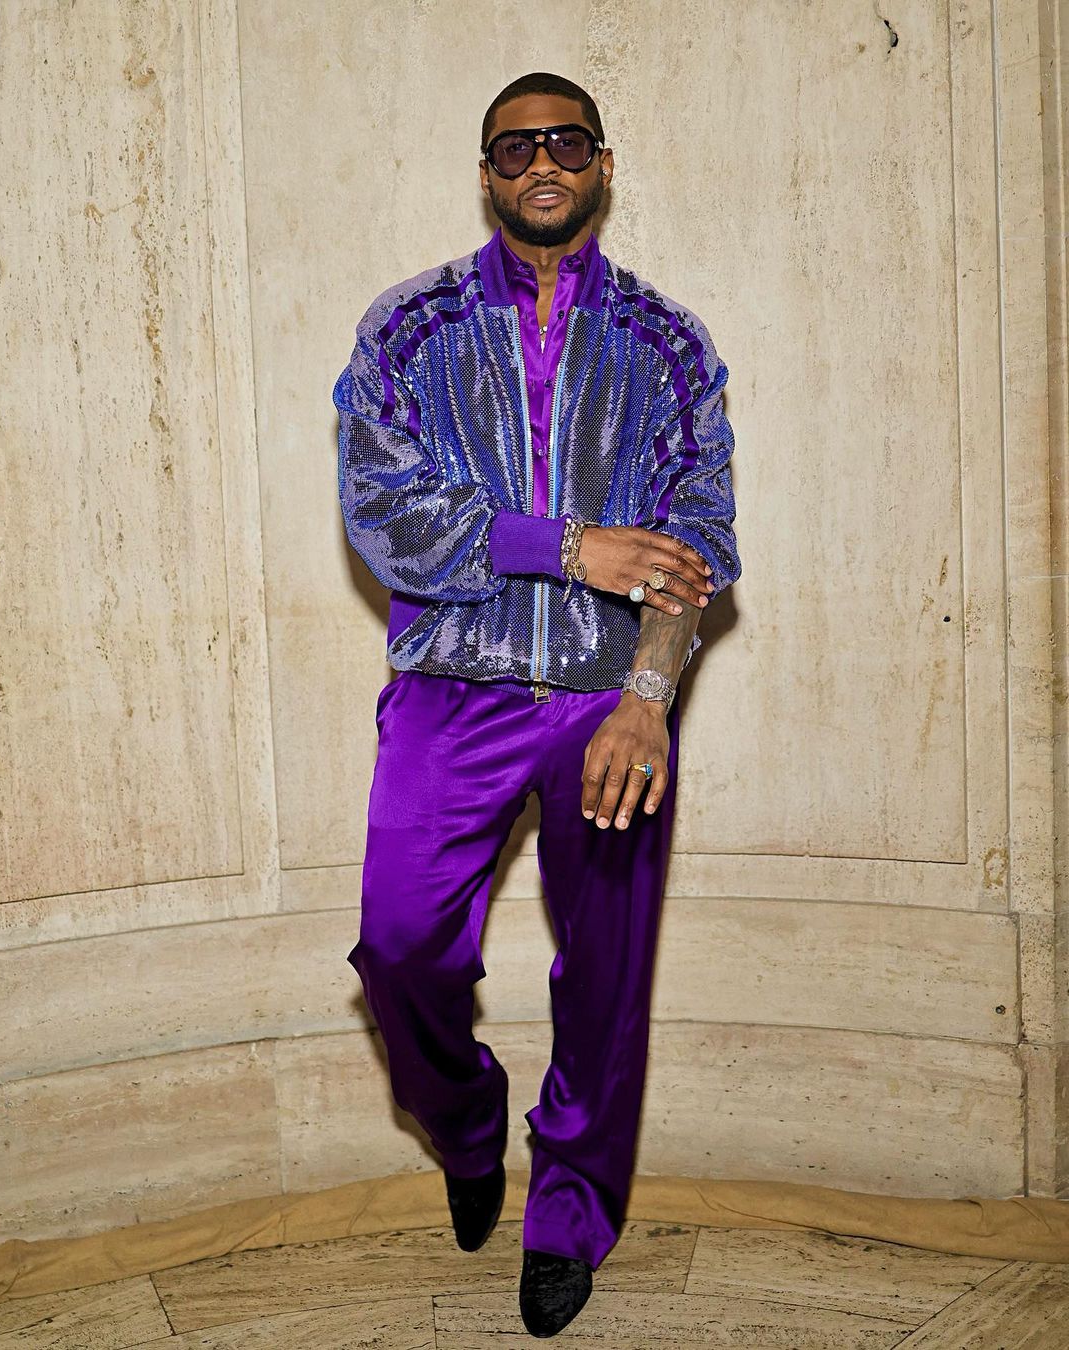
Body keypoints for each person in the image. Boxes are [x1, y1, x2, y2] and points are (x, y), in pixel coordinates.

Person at [333, 70, 740, 1339]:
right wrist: (567, 545)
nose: (542, 163)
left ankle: (567, 1216)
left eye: (566, 141)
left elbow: (697, 540)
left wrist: (649, 698)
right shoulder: (410, 327)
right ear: (487, 174)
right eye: (515, 149)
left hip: (608, 702)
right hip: (451, 692)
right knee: (401, 946)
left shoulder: (669, 344)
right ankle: (464, 1127)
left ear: (602, 165)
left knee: (607, 976)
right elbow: (385, 517)